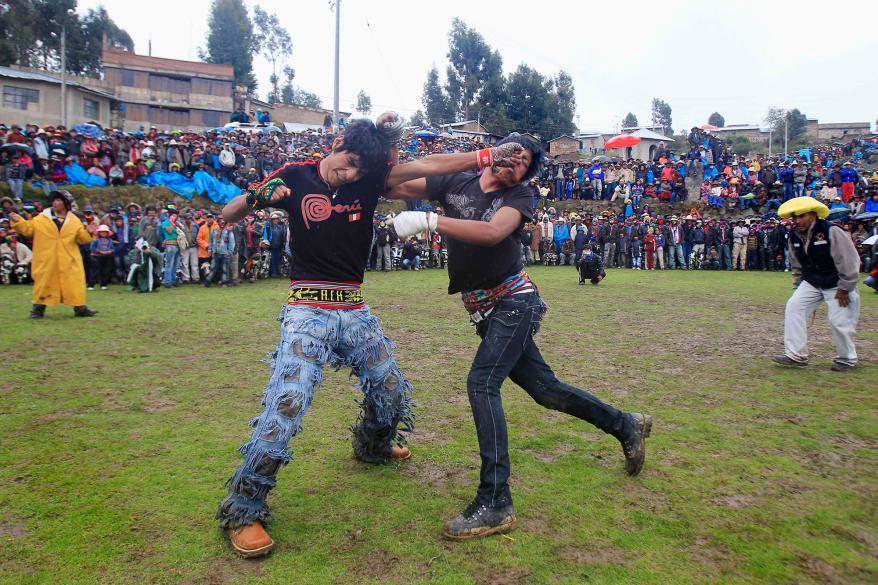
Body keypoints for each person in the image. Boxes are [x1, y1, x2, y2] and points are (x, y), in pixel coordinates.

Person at [215, 113, 525, 557]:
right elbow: (227, 214)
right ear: (337, 142)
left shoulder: (368, 179)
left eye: (363, 169)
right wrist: (255, 198)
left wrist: (485, 156)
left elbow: (429, 166)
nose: (352, 173)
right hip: (306, 309)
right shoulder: (294, 176)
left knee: (392, 390)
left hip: (354, 308)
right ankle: (245, 509)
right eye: (350, 162)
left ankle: (374, 446)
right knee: (288, 402)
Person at [388, 133, 651, 541]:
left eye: (524, 159)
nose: (514, 161)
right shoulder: (456, 182)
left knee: (482, 382)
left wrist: (429, 220)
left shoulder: (520, 198)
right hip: (483, 308)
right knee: (545, 390)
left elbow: (494, 233)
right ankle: (625, 424)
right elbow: (392, 182)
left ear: (527, 171)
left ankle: (496, 501)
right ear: (493, 154)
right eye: (510, 151)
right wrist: (407, 152)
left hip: (514, 301)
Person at [773, 197, 860, 371]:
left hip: (837, 282)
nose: (797, 221)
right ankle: (795, 355)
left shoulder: (831, 230)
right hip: (812, 281)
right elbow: (796, 263)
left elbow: (849, 259)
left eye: (801, 216)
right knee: (794, 306)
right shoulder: (793, 235)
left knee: (839, 320)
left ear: (813, 215)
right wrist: (798, 286)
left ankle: (847, 358)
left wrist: (845, 287)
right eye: (794, 217)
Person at [8, 190, 98, 318]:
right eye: (54, 200)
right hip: (47, 258)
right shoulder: (42, 218)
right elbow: (28, 229)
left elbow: (82, 239)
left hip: (69, 258)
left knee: (74, 282)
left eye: (59, 200)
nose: (55, 202)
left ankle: (80, 308)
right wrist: (19, 221)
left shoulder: (74, 221)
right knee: (44, 282)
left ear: (66, 203)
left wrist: (89, 232)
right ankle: (37, 310)